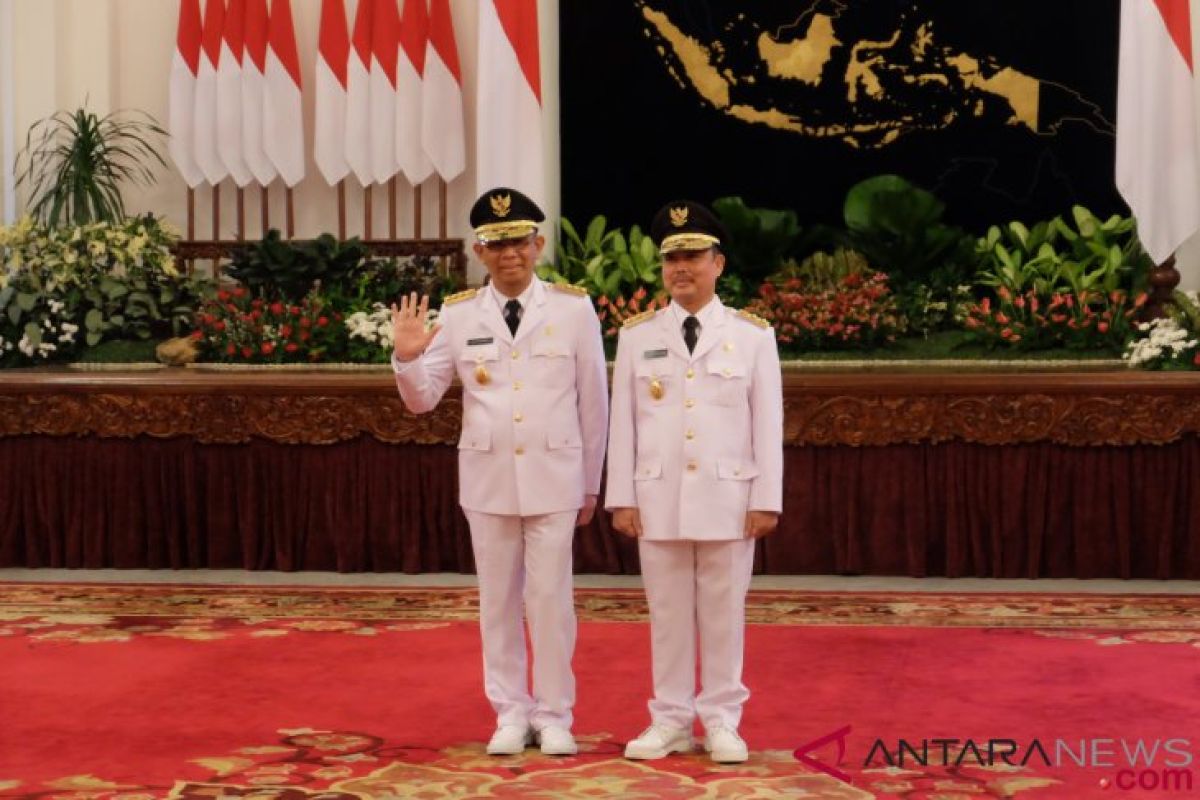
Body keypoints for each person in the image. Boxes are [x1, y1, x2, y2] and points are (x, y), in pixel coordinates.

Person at [390, 187, 608, 757]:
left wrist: (590, 481)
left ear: (537, 244)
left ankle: (556, 713)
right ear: (478, 251)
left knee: (550, 600)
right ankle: (511, 711)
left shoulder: (571, 307)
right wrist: (409, 357)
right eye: (496, 243)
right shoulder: (461, 314)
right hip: (488, 481)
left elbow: (594, 400)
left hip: (555, 475)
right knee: (497, 602)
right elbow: (422, 400)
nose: (509, 253)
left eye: (518, 241)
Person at [605, 199, 783, 764]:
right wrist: (622, 496)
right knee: (668, 613)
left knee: (724, 611)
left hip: (729, 495)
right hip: (658, 496)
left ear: (718, 264)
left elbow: (767, 423)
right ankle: (671, 720)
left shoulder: (752, 336)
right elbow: (624, 425)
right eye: (671, 258)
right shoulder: (638, 336)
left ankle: (723, 720)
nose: (681, 268)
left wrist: (767, 498)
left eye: (693, 256)